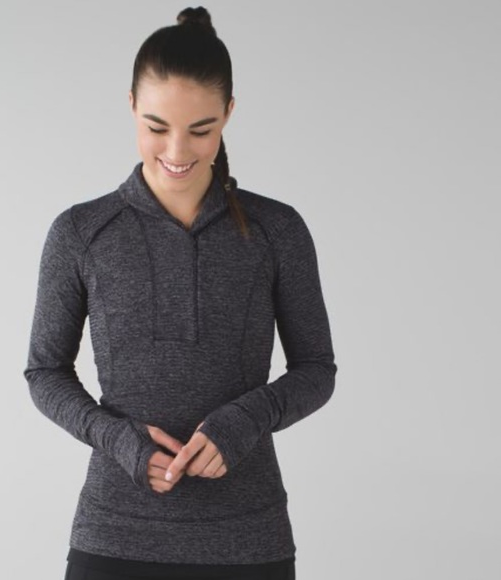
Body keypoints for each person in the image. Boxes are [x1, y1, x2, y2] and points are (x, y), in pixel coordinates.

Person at [23, 6, 337, 580]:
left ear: (229, 114)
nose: (177, 150)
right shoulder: (80, 233)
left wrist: (243, 421)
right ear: (130, 107)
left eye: (201, 130)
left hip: (248, 541)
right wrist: (119, 440)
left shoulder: (277, 231)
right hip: (114, 535)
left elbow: (317, 369)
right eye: (156, 126)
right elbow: (44, 372)